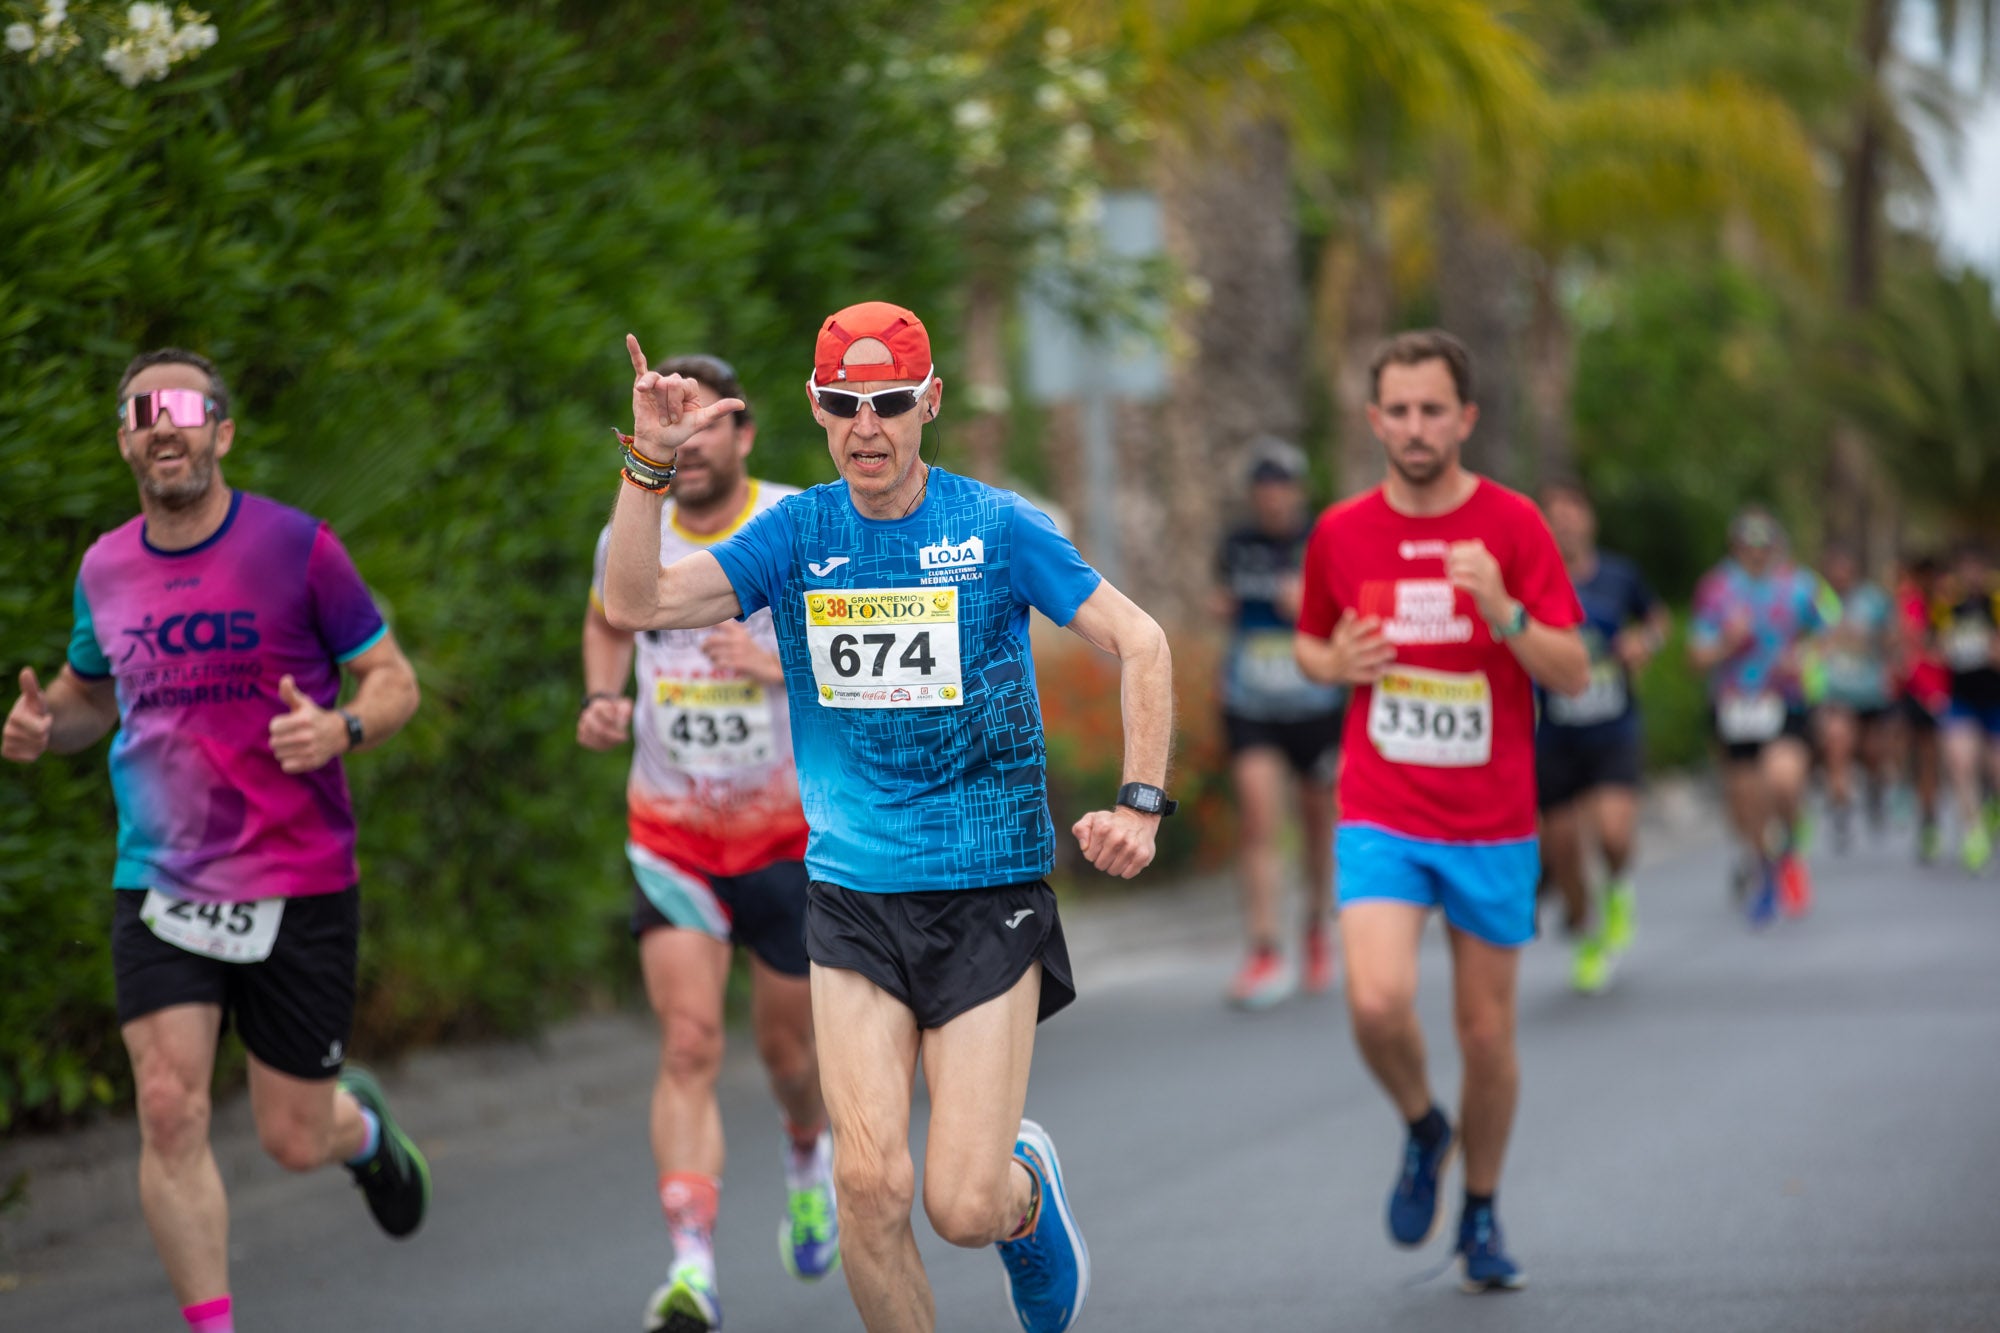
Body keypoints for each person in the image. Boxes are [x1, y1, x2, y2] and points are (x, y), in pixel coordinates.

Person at [599, 302, 1174, 1333]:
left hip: (984, 890)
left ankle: (1023, 1194)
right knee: (867, 1187)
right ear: (817, 408)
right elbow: (635, 603)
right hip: (852, 894)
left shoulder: (996, 527)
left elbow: (1142, 641)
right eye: (844, 403)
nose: (867, 426)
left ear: (930, 402)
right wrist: (649, 465)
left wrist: (1139, 801)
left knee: (961, 1205)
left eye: (891, 402)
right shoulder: (795, 533)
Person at [1, 349, 426, 1333]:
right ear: (124, 442)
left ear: (221, 433)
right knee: (167, 1105)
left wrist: (342, 728)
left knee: (293, 1136)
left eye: (184, 408)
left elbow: (393, 679)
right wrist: (43, 726)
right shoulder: (104, 567)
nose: (164, 423)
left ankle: (360, 1132)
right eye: (141, 410)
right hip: (161, 877)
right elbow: (87, 698)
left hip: (298, 877)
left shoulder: (297, 547)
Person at [1294, 329, 1588, 1291]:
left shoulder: (1513, 524)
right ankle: (1426, 1125)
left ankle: (1483, 1208)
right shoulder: (1341, 532)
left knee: (1485, 1034)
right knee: (1377, 1000)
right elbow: (1309, 642)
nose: (1415, 426)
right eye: (1399, 410)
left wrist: (1504, 609)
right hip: (1382, 806)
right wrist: (1336, 663)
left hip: (1491, 818)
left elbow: (1573, 671)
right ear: (1374, 419)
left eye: (1433, 409)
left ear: (1465, 418)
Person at [576, 354, 838, 1332]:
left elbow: (853, 654)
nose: (685, 445)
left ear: (743, 433)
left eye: (703, 424)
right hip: (672, 831)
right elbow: (609, 621)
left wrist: (773, 665)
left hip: (784, 836)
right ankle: (691, 1267)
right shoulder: (631, 528)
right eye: (669, 426)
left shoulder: (793, 520)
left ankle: (806, 1148)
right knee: (687, 1041)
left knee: (787, 1052)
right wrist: (603, 695)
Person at [1214, 440, 1345, 1009]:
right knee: (1259, 820)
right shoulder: (1235, 544)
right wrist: (1223, 607)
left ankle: (1315, 925)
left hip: (1316, 706)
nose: (1272, 499)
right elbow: (1224, 600)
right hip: (1253, 705)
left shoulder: (1322, 541)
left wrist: (1313, 604)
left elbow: (1351, 612)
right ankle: (1265, 948)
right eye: (1263, 490)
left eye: (1281, 488)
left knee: (1317, 826)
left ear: (1298, 491)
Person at [1534, 481, 1668, 994]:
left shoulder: (1619, 575)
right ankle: (1587, 935)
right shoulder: (1528, 581)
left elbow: (1657, 620)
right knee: (1563, 848)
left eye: (1573, 511)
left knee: (1613, 834)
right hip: (1553, 734)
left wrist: (1643, 641)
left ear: (1589, 518)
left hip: (1611, 726)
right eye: (1554, 514)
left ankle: (1616, 888)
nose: (1564, 522)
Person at [1688, 509, 1830, 923]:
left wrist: (1804, 657)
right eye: (1747, 546)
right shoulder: (1716, 589)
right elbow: (1695, 656)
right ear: (1735, 547)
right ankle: (1764, 868)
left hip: (1785, 701)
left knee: (1783, 781)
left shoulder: (1800, 585)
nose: (1756, 553)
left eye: (1763, 545)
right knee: (1746, 800)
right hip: (1734, 707)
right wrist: (1726, 643)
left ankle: (1790, 849)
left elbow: (1831, 631)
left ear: (1776, 546)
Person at [1811, 544, 1896, 853]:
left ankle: (1875, 788)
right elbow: (1805, 639)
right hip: (1835, 691)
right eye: (1834, 569)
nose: (1839, 575)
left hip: (1870, 691)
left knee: (1873, 752)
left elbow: (1892, 637)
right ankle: (1841, 807)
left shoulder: (1873, 601)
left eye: (1844, 569)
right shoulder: (1818, 602)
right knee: (1837, 744)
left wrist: (1869, 639)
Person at [1933, 543, 2000, 872]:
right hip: (1962, 699)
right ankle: (1973, 832)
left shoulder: (1997, 601)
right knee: (1960, 762)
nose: (1971, 574)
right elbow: (1933, 645)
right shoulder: (1947, 605)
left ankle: (1993, 808)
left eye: (1977, 567)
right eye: (1965, 568)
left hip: (1996, 698)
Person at [1894, 554, 1949, 862]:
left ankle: (1929, 812)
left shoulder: (1947, 603)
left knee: (1934, 756)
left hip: (1947, 691)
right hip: (1918, 691)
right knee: (1916, 749)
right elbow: (1909, 648)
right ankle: (1921, 810)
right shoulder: (1910, 604)